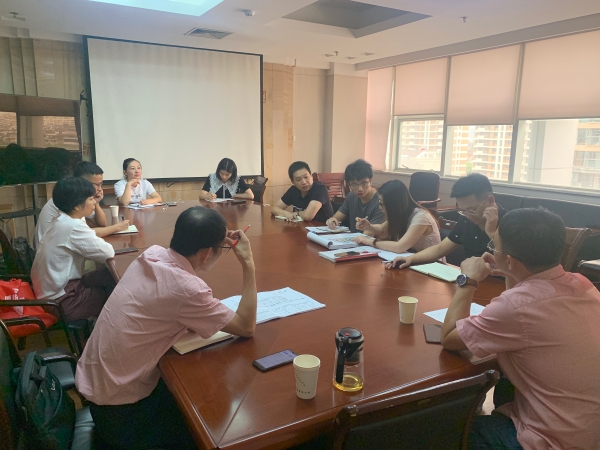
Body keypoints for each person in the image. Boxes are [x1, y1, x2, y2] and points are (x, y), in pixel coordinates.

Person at [75, 206, 257, 450]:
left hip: (96, 386)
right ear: (206, 253)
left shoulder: (153, 254)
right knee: (213, 423)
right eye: (221, 247)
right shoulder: (186, 289)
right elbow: (246, 326)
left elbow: (169, 306)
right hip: (122, 414)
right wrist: (248, 263)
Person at [441, 208, 600, 450]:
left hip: (552, 441)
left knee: (446, 429)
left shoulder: (515, 308)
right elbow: (520, 308)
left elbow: (450, 337)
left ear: (510, 260)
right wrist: (509, 270)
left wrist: (468, 281)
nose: (492, 251)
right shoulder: (583, 284)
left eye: (495, 248)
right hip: (587, 431)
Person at [31, 177, 116, 322]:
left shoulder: (61, 219)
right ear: (76, 206)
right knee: (117, 295)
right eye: (91, 199)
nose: (94, 202)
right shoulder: (73, 226)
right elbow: (107, 252)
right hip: (61, 301)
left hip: (50, 292)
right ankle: (102, 330)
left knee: (108, 275)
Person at [385, 173, 505, 269]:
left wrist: (492, 234)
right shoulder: (465, 219)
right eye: (463, 210)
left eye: (471, 210)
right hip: (471, 278)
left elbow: (511, 266)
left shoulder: (509, 223)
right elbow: (439, 250)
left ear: (490, 201)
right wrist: (410, 259)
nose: (468, 215)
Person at [35, 161, 129, 247]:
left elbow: (102, 224)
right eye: (96, 185)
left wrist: (95, 202)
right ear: (82, 181)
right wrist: (117, 227)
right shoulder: (68, 198)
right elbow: (86, 233)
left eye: (101, 184)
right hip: (54, 252)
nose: (100, 189)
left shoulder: (79, 196)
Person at [353, 179, 441, 254]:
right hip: (410, 258)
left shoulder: (421, 217)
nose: (380, 207)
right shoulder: (401, 213)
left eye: (382, 204)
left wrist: (369, 241)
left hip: (431, 265)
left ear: (394, 205)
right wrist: (369, 227)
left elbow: (399, 247)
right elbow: (383, 229)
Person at [325, 159, 384, 233]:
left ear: (370, 181)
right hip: (353, 238)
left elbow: (369, 234)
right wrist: (332, 221)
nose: (360, 189)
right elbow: (336, 218)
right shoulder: (351, 196)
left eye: (364, 183)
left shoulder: (380, 202)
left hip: (368, 239)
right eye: (354, 184)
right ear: (348, 185)